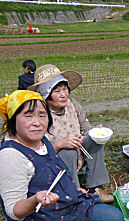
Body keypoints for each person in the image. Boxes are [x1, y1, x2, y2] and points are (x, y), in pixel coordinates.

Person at [0, 91, 123, 221]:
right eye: (28, 115)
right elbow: (14, 211)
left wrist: (74, 192)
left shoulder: (43, 141)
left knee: (114, 217)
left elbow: (55, 173)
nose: (37, 122)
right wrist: (35, 199)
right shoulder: (11, 156)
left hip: (64, 212)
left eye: (42, 115)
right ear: (13, 120)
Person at [29, 64, 113, 203]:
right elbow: (38, 149)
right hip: (53, 159)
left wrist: (93, 132)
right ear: (46, 94)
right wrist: (59, 143)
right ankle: (75, 193)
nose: (63, 94)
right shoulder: (40, 113)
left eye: (64, 89)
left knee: (94, 141)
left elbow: (85, 128)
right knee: (69, 151)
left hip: (79, 148)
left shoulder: (73, 105)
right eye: (57, 91)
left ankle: (94, 188)